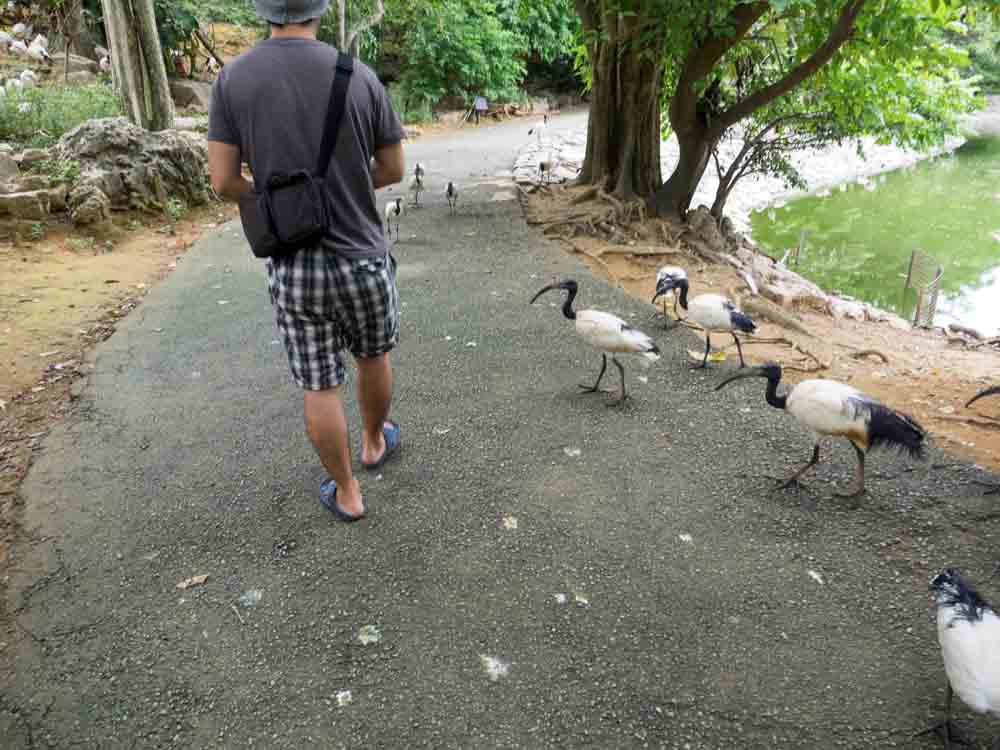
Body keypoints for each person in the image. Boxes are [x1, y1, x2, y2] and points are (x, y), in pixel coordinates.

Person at [207, 0, 406, 523]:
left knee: (320, 384)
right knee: (373, 354)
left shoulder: (234, 80)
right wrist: (346, 186)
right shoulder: (358, 75)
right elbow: (392, 167)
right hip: (363, 256)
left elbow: (224, 181)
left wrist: (280, 201)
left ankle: (347, 493)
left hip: (294, 266)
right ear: (321, 9)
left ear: (263, 11)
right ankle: (372, 443)